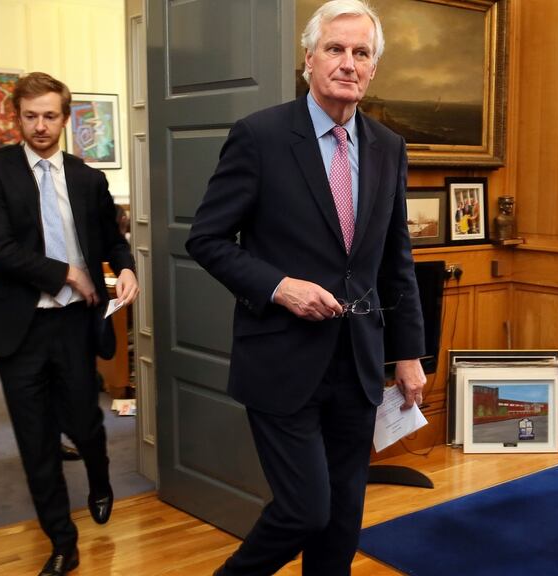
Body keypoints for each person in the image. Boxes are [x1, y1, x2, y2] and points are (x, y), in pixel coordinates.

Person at [184, 1, 426, 574]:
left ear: (373, 68)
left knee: (342, 523)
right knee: (305, 511)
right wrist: (280, 286)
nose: (348, 62)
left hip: (358, 364)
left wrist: (409, 354)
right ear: (309, 59)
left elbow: (397, 260)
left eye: (361, 53)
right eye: (335, 49)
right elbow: (207, 239)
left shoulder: (389, 147)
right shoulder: (259, 137)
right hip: (280, 359)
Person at [0, 71, 139, 576]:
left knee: (85, 422)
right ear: (17, 117)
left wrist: (126, 267)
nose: (40, 126)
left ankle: (101, 478)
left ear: (66, 118)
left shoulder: (88, 180)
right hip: (18, 326)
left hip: (71, 324)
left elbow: (111, 241)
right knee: (35, 438)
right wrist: (70, 272)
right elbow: (1, 249)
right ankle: (62, 542)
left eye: (49, 116)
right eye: (30, 116)